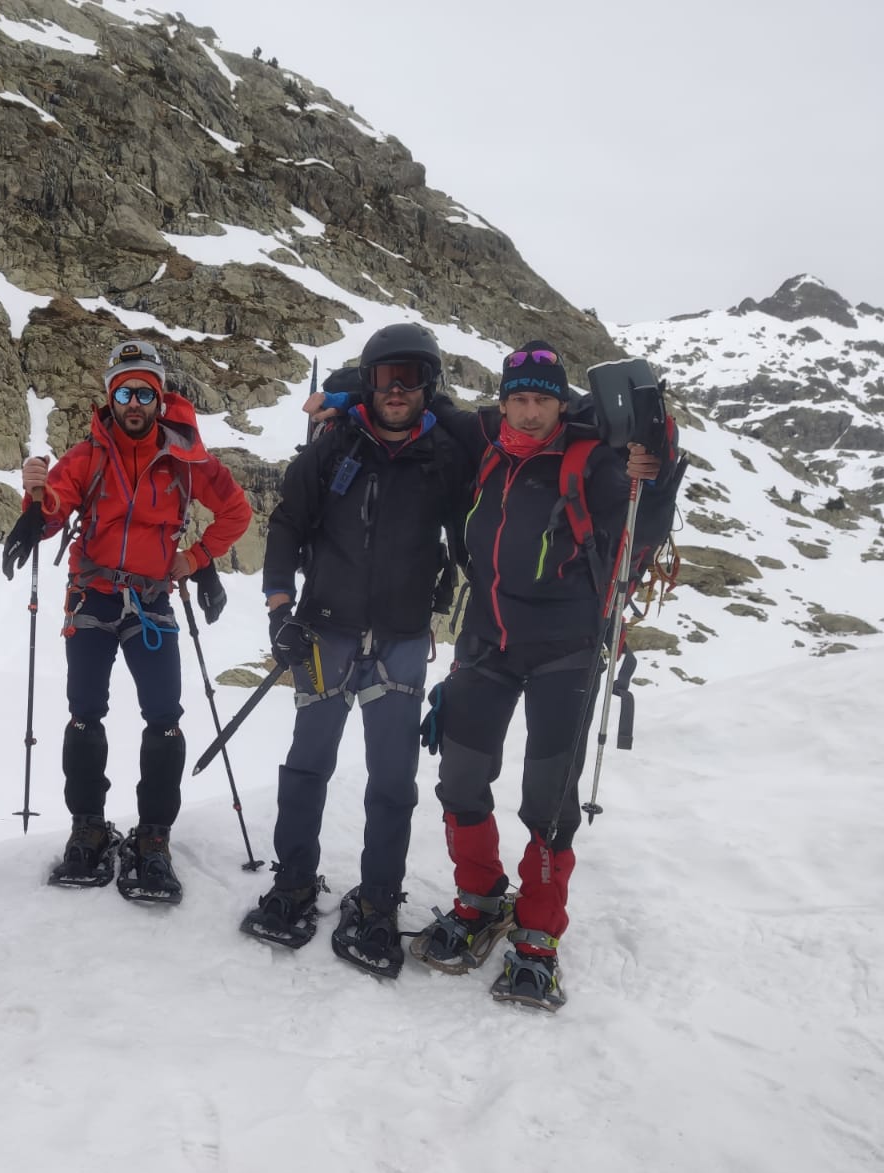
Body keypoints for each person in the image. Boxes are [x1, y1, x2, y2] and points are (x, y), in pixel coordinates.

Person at [410, 340, 682, 1010]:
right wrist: (346, 392)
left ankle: (538, 934)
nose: (530, 414)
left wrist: (658, 466)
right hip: (487, 639)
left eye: (542, 400)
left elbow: (644, 518)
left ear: (562, 402)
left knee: (547, 800)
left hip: (566, 648)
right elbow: (431, 405)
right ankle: (478, 901)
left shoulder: (595, 462)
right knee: (460, 779)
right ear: (503, 402)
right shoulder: (488, 445)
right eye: (519, 399)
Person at [243, 323, 473, 976]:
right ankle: (293, 881)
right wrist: (279, 606)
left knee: (393, 782)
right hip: (324, 631)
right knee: (307, 764)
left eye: (409, 378)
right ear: (368, 383)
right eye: (383, 378)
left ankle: (377, 902)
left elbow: (473, 531)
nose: (396, 391)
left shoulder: (445, 457)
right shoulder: (334, 446)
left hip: (400, 641)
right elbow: (288, 521)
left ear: (428, 384)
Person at [2, 340, 252, 901]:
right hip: (93, 596)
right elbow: (56, 508)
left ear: (159, 399)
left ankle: (153, 838)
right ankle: (87, 827)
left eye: (144, 392)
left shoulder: (189, 459)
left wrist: (197, 559)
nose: (133, 402)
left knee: (164, 718)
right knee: (85, 715)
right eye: (124, 392)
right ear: (110, 397)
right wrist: (35, 503)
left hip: (153, 600)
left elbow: (237, 511)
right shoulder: (88, 455)